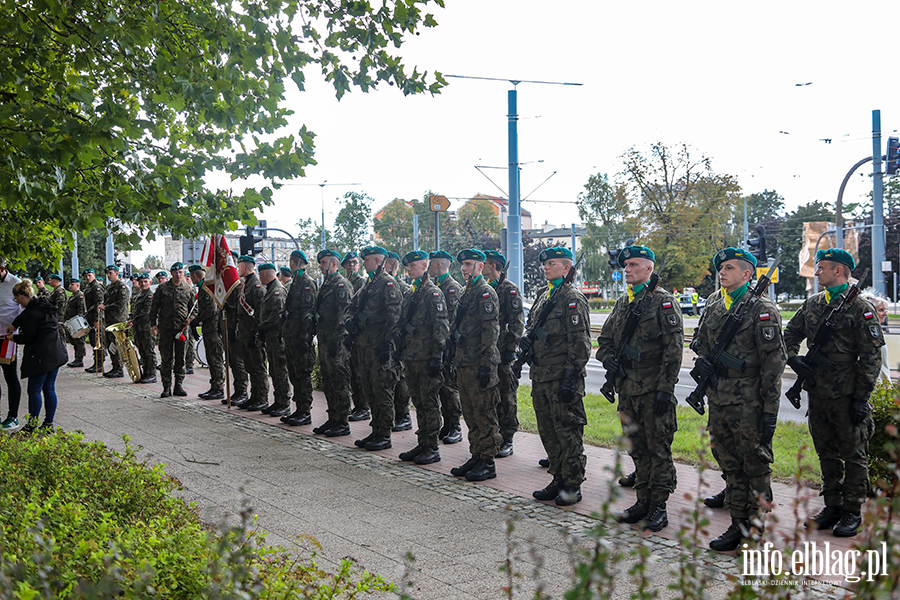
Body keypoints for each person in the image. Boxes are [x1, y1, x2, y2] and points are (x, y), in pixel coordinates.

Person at [783, 248, 884, 538]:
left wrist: (861, 398)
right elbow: (790, 333)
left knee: (853, 454)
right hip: (818, 390)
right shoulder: (813, 304)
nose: (816, 273)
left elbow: (871, 357)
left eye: (822, 268)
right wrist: (794, 358)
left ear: (838, 271)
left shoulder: (859, 307)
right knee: (826, 451)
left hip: (847, 392)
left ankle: (852, 511)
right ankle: (833, 505)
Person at [690, 247, 785, 551]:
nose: (722, 272)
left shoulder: (762, 309)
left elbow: (774, 363)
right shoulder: (715, 304)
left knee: (753, 464)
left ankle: (754, 528)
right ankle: (738, 522)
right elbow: (699, 340)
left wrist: (769, 409)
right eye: (721, 268)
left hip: (749, 402)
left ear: (746, 274)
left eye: (729, 268)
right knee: (729, 463)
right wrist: (703, 360)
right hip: (719, 396)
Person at [596, 245, 682, 530]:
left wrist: (665, 390)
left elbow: (674, 350)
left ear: (649, 268)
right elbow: (605, 339)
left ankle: (659, 505)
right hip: (628, 388)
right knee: (636, 447)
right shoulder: (624, 303)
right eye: (625, 265)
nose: (627, 269)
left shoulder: (663, 302)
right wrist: (610, 361)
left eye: (633, 264)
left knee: (658, 448)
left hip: (653, 388)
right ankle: (643, 500)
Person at [520, 247, 591, 505]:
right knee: (548, 430)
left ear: (566, 268)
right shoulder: (543, 295)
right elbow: (532, 327)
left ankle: (572, 483)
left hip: (562, 376)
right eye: (545, 264)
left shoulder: (572, 298)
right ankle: (558, 477)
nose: (545, 268)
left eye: (551, 263)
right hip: (541, 375)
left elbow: (581, 342)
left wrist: (571, 377)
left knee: (568, 432)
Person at [449, 249, 502, 482]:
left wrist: (486, 364)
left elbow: (490, 332)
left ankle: (488, 461)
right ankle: (476, 454)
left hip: (480, 363)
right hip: (464, 361)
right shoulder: (465, 291)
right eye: (462, 265)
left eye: (469, 264)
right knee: (470, 413)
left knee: (484, 413)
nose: (464, 269)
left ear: (480, 267)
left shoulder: (484, 293)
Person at [393, 250, 449, 465]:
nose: (408, 268)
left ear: (425, 266)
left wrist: (437, 356)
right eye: (407, 265)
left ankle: (432, 447)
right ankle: (423, 442)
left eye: (413, 265)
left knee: (429, 402)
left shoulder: (432, 293)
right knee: (418, 401)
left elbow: (441, 327)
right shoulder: (412, 291)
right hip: (412, 355)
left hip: (426, 357)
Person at [348, 246, 402, 451]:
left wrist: (388, 344)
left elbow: (394, 318)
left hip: (380, 346)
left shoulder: (388, 283)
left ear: (378, 261)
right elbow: (355, 305)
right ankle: (376, 430)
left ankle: (384, 434)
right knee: (370, 388)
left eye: (367, 260)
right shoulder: (370, 282)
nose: (363, 263)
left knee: (382, 391)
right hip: (365, 345)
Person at [4, 279, 68, 434]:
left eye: (16, 299)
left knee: (34, 389)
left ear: (20, 296)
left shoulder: (32, 313)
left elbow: (28, 337)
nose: (17, 303)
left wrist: (13, 338)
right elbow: (27, 314)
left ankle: (31, 426)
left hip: (41, 355)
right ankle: (48, 424)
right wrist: (15, 323)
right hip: (56, 352)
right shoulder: (43, 304)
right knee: (49, 388)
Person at [306, 249, 353, 436]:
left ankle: (342, 421)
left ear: (334, 264)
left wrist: (338, 339)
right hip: (325, 341)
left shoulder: (342, 285)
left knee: (339, 381)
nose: (320, 265)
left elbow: (344, 316)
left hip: (337, 343)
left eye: (324, 262)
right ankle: (333, 418)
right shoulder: (326, 284)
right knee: (328, 381)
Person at [483, 250, 525, 458]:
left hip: (503, 352)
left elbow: (517, 321)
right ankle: (495, 435)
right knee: (491, 396)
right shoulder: (485, 288)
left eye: (485, 263)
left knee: (506, 396)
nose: (481, 266)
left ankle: (508, 438)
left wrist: (511, 349)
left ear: (493, 266)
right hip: (488, 352)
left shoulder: (509, 289)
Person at [429, 250, 464, 444]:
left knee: (450, 388)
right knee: (440, 387)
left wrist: (448, 345)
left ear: (440, 266)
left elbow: (452, 320)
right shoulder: (435, 286)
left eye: (432, 264)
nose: (429, 268)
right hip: (437, 345)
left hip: (448, 346)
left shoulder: (452, 288)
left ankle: (455, 426)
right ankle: (446, 424)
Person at [280, 251, 317, 426]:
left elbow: (308, 313)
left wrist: (304, 337)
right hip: (291, 335)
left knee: (302, 374)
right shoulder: (295, 282)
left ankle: (305, 411)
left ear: (295, 262)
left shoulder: (307, 283)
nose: (291, 265)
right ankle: (298, 409)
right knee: (294, 373)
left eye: (291, 262)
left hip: (300, 336)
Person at [150, 262, 194, 397]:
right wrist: (153, 324)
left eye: (181, 272)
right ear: (171, 273)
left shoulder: (188, 289)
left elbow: (194, 308)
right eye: (176, 272)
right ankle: (166, 387)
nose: (178, 274)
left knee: (181, 359)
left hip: (182, 329)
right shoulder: (162, 288)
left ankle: (179, 385)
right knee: (166, 358)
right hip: (166, 328)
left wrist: (190, 318)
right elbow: (154, 308)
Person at [256, 263, 291, 417]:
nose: (259, 278)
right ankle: (278, 401)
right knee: (274, 370)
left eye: (260, 275)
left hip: (277, 337)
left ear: (264, 275)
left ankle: (284, 403)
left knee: (280, 370)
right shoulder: (269, 290)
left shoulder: (277, 290)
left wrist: (263, 326)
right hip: (270, 338)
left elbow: (277, 316)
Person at [384, 250, 412, 432]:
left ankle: (404, 416)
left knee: (400, 379)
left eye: (386, 265)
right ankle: (395, 414)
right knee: (388, 379)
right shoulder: (383, 285)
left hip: (398, 342)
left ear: (393, 266)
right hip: (385, 340)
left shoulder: (402, 287)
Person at [235, 256, 268, 411]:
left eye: (239, 266)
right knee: (250, 366)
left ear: (244, 267)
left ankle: (262, 398)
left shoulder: (256, 285)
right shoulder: (246, 284)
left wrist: (255, 332)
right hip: (244, 331)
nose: (237, 268)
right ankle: (254, 396)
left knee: (258, 367)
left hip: (252, 333)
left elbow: (260, 312)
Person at [188, 265, 224, 398]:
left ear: (195, 276)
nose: (191, 279)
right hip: (209, 329)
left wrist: (195, 321)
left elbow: (210, 310)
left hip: (213, 329)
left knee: (215, 358)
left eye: (191, 276)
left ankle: (218, 387)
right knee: (211, 358)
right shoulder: (204, 287)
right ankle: (214, 386)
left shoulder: (207, 288)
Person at [342, 251, 369, 422]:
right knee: (351, 372)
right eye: (349, 263)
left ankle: (363, 407)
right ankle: (357, 405)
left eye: (355, 262)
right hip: (346, 335)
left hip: (359, 335)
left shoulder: (363, 283)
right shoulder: (345, 283)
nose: (352, 265)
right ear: (343, 266)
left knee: (359, 373)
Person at [223, 249, 249, 405]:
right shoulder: (226, 282)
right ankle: (237, 390)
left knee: (238, 361)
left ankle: (242, 391)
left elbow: (242, 307)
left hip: (238, 327)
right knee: (232, 361)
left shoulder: (239, 283)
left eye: (232, 260)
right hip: (229, 325)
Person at [0, 258, 22, 430]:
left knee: (10, 377)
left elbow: (26, 310)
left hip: (7, 339)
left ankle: (12, 416)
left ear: (2, 268)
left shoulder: (16, 284)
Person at [98, 265, 130, 378]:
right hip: (109, 320)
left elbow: (121, 303)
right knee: (110, 343)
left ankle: (119, 368)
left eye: (110, 273)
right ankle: (114, 366)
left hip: (118, 320)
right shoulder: (109, 287)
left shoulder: (122, 287)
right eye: (107, 273)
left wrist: (106, 307)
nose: (108, 275)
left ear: (117, 273)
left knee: (117, 344)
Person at [130, 273, 157, 383]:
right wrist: (130, 318)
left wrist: (133, 320)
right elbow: (134, 311)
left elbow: (146, 312)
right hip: (138, 328)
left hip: (147, 328)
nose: (143, 284)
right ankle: (145, 372)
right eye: (141, 282)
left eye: (145, 281)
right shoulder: (138, 295)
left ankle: (152, 374)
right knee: (142, 350)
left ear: (150, 282)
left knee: (148, 350)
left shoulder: (150, 295)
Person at [860, 288, 891, 383]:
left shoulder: (875, 331)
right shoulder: (869, 334)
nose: (885, 314)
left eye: (886, 310)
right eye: (881, 310)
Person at [82, 268, 106, 373]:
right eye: (86, 276)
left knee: (98, 341)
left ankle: (99, 364)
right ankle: (96, 363)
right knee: (93, 340)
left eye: (89, 275)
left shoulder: (96, 287)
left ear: (94, 275)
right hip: (90, 317)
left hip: (96, 318)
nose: (88, 277)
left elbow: (99, 304)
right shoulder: (89, 287)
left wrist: (97, 319)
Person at [63, 278, 86, 368]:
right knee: (74, 341)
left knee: (79, 341)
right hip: (71, 321)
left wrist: (80, 321)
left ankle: (79, 359)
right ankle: (77, 358)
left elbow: (81, 309)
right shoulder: (73, 296)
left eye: (72, 284)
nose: (70, 286)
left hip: (77, 321)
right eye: (70, 284)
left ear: (78, 285)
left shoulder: (80, 295)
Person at [47, 274, 68, 351]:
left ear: (54, 281)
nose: (49, 282)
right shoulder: (55, 290)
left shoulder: (59, 290)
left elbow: (60, 304)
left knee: (60, 334)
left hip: (59, 317)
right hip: (56, 316)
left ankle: (62, 351)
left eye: (50, 280)